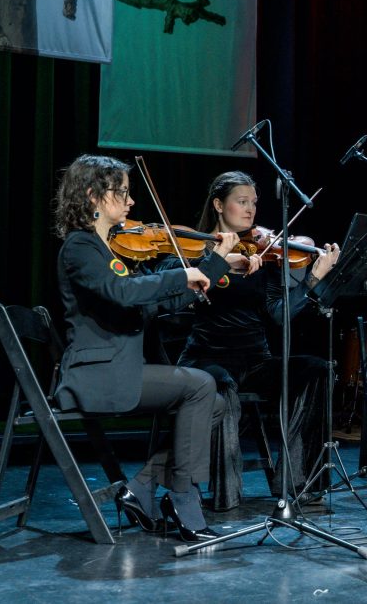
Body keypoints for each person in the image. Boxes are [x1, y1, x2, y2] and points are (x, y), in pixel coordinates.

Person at [53, 154, 236, 542]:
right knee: (202, 385)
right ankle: (184, 498)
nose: (131, 201)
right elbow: (122, 292)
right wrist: (180, 274)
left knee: (215, 403)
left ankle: (142, 485)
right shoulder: (80, 247)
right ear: (93, 195)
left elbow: (152, 304)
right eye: (122, 192)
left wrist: (213, 266)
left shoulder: (107, 250)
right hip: (97, 376)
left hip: (118, 369)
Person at [163, 171, 340, 507]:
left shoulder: (263, 253)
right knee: (222, 383)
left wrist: (312, 280)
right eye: (241, 201)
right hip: (207, 358)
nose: (250, 210)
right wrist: (216, 263)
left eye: (254, 203)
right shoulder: (195, 252)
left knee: (317, 370)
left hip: (255, 360)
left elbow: (279, 315)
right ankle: (225, 494)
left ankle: (297, 479)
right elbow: (173, 284)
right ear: (219, 205)